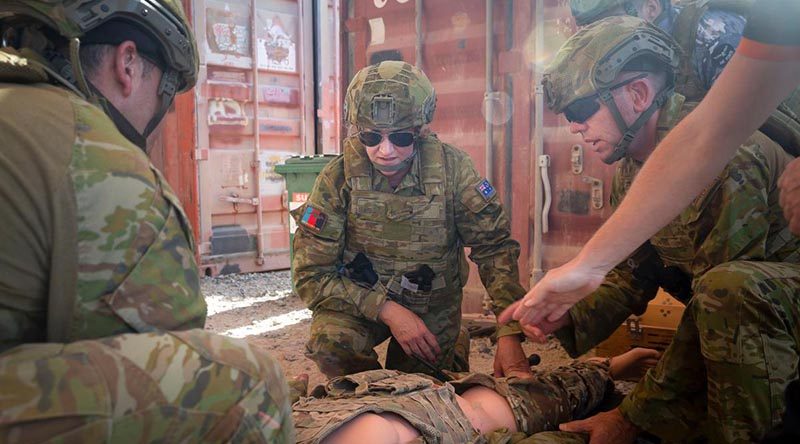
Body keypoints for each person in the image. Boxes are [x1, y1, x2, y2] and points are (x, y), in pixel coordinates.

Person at [0, 1, 292, 441]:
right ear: (128, 63)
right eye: (167, 90)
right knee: (246, 386)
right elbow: (170, 375)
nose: (164, 113)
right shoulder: (107, 170)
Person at [507, 17, 800, 443]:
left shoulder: (727, 161)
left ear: (639, 94)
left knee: (730, 288)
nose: (574, 127)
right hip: (750, 321)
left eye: (581, 110)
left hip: (768, 317)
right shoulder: (635, 171)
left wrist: (632, 415)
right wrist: (564, 315)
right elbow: (633, 273)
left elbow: (719, 304)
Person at [291, 60, 531, 380]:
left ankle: (451, 344)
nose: (385, 151)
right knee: (333, 346)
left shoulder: (453, 170)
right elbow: (311, 275)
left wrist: (509, 334)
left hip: (431, 304)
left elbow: (495, 249)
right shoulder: (338, 178)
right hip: (360, 301)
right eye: (371, 137)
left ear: (420, 131)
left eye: (401, 138)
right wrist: (387, 311)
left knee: (423, 386)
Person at [293, 348, 661, 444]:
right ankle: (606, 368)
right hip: (471, 411)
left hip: (381, 391)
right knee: (547, 394)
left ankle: (605, 369)